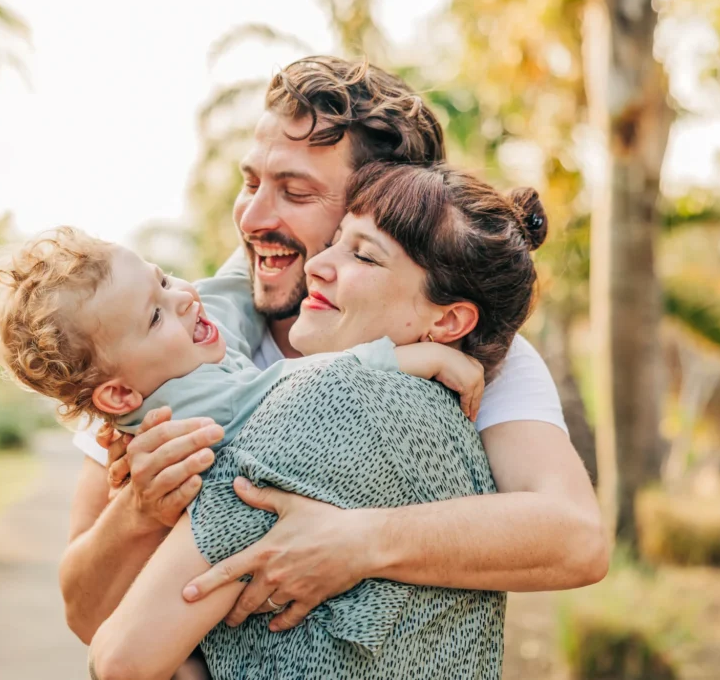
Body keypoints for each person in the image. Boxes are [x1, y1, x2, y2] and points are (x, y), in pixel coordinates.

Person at [59, 56, 607, 659]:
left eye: (294, 192)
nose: (253, 217)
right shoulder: (163, 342)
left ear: (377, 201)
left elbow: (575, 539)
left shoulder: (467, 350)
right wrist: (138, 511)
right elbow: (86, 616)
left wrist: (356, 543)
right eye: (251, 183)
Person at [87, 161, 556, 680]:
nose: (316, 265)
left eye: (362, 255)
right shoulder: (462, 443)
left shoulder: (316, 405)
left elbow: (120, 660)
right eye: (334, 239)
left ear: (446, 320)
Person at [0, 226, 485, 469]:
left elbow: (228, 294)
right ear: (120, 396)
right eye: (154, 314)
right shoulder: (187, 413)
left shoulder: (176, 358)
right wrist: (418, 357)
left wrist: (261, 230)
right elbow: (306, 386)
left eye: (163, 279)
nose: (184, 298)